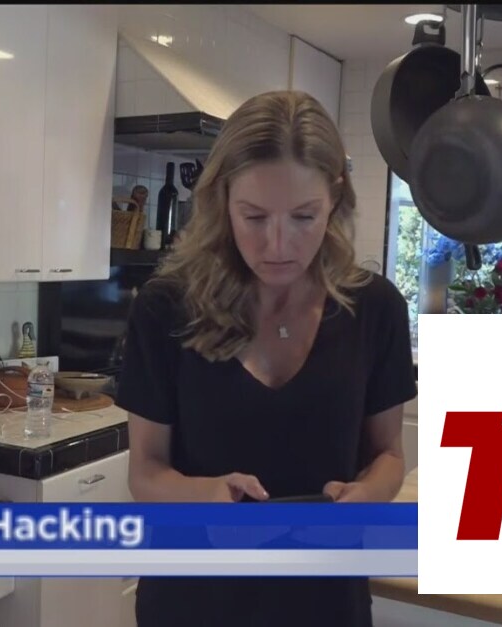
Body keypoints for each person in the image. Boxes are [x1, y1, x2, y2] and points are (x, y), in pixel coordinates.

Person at [115, 90, 418, 627]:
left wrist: (367, 495)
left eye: (304, 216)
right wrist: (208, 496)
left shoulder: (375, 309)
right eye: (254, 217)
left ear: (335, 197)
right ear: (223, 200)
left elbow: (388, 455)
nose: (278, 245)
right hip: (192, 604)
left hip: (326, 603)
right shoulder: (165, 308)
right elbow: (146, 472)